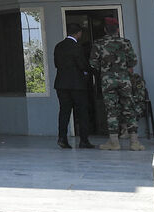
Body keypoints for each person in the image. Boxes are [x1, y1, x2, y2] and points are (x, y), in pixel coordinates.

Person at [90, 17, 144, 150]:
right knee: (129, 109)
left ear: (105, 29)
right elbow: (133, 61)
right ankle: (134, 142)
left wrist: (105, 69)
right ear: (118, 29)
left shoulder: (99, 43)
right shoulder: (125, 42)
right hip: (124, 80)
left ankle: (114, 142)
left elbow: (93, 63)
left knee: (111, 110)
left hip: (108, 81)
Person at [53, 23, 93, 148]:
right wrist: (87, 73)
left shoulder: (58, 46)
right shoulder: (77, 47)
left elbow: (56, 64)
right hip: (77, 84)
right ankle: (84, 140)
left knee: (64, 111)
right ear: (78, 33)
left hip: (61, 83)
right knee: (82, 111)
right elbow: (82, 64)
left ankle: (62, 138)